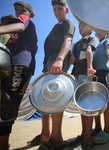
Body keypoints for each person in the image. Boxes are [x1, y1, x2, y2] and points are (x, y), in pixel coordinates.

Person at [27, 0, 75, 149]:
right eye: (54, 9)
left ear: (66, 10)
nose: (56, 12)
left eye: (60, 9)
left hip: (56, 60)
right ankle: (45, 133)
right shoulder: (56, 26)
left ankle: (55, 139)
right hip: (49, 61)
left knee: (55, 96)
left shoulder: (68, 22)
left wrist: (60, 59)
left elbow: (68, 39)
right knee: (44, 98)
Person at [0, 1, 38, 150]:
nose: (18, 13)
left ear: (31, 14)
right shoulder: (14, 32)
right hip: (19, 65)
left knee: (6, 104)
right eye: (16, 10)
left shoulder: (25, 21)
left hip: (19, 64)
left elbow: (21, 25)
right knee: (10, 106)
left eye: (22, 10)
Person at [68, 23, 96, 150]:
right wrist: (70, 57)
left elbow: (89, 51)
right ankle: (84, 133)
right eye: (79, 26)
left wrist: (90, 67)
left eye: (83, 26)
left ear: (90, 29)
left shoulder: (90, 39)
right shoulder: (76, 44)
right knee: (80, 105)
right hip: (77, 74)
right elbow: (72, 60)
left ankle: (88, 137)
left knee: (88, 104)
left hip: (85, 72)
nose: (80, 28)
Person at [91, 32, 109, 144]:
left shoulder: (106, 41)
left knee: (106, 101)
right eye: (97, 31)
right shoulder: (96, 45)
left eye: (101, 30)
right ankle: (98, 128)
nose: (98, 32)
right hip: (96, 73)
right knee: (96, 102)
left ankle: (107, 130)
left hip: (104, 71)